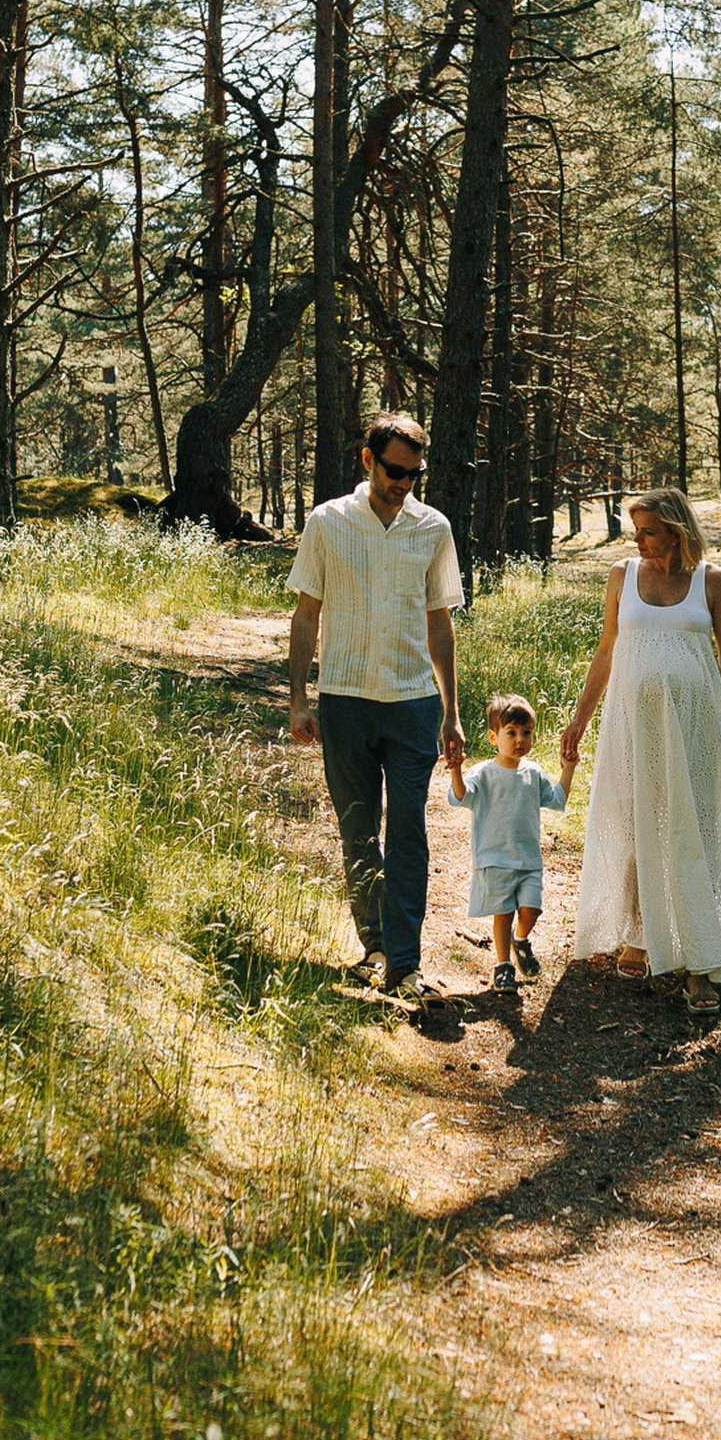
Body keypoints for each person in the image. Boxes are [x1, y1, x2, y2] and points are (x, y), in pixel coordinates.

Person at [561, 487, 721, 1015]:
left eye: (647, 530)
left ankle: (700, 961)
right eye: (636, 531)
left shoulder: (711, 581)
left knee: (691, 831)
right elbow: (606, 653)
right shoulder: (621, 576)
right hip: (632, 727)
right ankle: (638, 935)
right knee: (633, 822)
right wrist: (578, 722)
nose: (639, 540)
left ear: (676, 530)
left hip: (696, 729)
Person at [287, 413, 465, 1005]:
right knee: (358, 830)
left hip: (414, 703)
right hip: (346, 701)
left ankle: (407, 963)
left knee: (410, 832)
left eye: (415, 474)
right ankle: (375, 949)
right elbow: (306, 614)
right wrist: (297, 698)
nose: (404, 483)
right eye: (395, 471)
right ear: (368, 461)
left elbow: (440, 624)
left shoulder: (433, 528)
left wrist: (451, 711)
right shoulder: (328, 522)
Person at [448, 692, 573, 993]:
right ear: (494, 737)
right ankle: (503, 966)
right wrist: (455, 769)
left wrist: (568, 768)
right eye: (512, 733)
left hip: (528, 860)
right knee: (502, 914)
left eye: (526, 733)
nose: (520, 740)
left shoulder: (534, 774)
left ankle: (521, 940)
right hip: (495, 859)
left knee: (531, 910)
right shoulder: (484, 773)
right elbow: (461, 797)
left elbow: (556, 800)